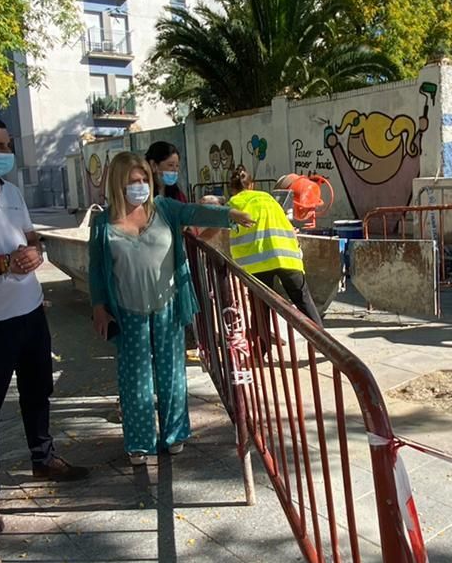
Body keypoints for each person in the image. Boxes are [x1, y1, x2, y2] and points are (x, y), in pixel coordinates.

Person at [0, 117, 86, 538]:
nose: (2, 154)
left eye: (6, 145)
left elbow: (31, 235)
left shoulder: (11, 191)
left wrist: (34, 251)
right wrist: (1, 264)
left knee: (39, 391)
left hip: (30, 308)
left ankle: (43, 457)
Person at [88, 152, 253, 464]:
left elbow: (195, 211)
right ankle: (139, 441)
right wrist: (99, 306)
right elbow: (96, 268)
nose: (139, 187)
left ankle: (174, 433)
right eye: (132, 182)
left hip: (167, 306)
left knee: (172, 374)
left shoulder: (164, 209)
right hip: (126, 309)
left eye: (143, 181)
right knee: (134, 378)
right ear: (117, 185)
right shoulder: (102, 223)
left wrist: (230, 215)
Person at [227, 166, 323, 327]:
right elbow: (286, 224)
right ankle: (324, 343)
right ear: (252, 185)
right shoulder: (268, 199)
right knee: (303, 301)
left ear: (232, 188)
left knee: (260, 309)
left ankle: (262, 348)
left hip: (257, 262)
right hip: (286, 257)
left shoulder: (233, 204)